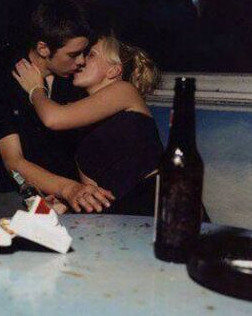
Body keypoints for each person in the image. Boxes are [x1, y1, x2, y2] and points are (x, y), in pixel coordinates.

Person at [0, 0, 115, 217]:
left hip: (73, 193)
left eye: (85, 52)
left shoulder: (77, 80)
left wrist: (77, 193)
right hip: (20, 192)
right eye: (73, 55)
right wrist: (65, 190)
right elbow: (12, 162)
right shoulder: (3, 77)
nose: (82, 61)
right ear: (43, 48)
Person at [13, 34, 163, 215]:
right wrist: (65, 209)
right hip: (120, 213)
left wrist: (35, 89)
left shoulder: (125, 91)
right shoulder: (83, 135)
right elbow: (96, 200)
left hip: (155, 199)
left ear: (113, 70)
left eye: (91, 54)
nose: (81, 61)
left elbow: (53, 118)